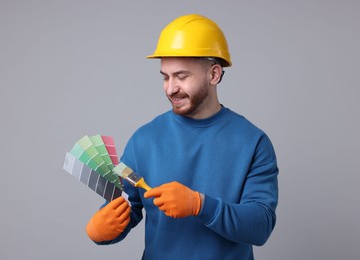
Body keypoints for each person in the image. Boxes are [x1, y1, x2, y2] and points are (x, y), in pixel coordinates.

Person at [85, 14, 279, 260]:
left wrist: (200, 205)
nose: (170, 88)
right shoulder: (144, 140)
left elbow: (261, 227)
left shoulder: (253, 142)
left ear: (214, 74)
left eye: (182, 76)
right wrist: (102, 231)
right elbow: (126, 209)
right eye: (165, 76)